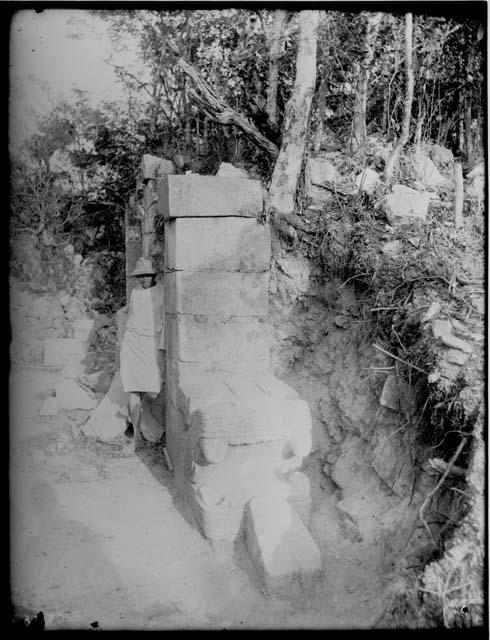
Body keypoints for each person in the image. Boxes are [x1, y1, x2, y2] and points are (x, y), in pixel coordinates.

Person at [120, 257, 165, 450]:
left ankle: (146, 422)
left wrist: (162, 348)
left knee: (153, 387)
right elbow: (130, 315)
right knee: (134, 388)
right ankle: (137, 436)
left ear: (154, 275)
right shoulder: (135, 292)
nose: (144, 279)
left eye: (147, 275)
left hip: (151, 343)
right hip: (132, 342)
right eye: (140, 276)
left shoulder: (162, 292)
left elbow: (165, 321)